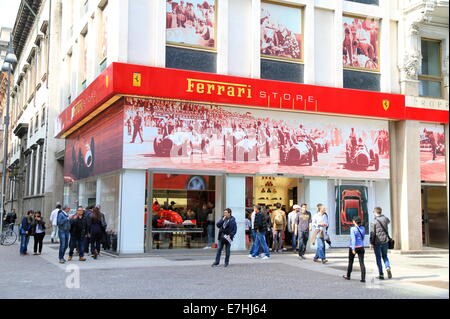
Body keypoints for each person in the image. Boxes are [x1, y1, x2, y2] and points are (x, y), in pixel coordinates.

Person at [370, 207, 392, 280]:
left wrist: (371, 243)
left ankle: (381, 274)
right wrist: (383, 216)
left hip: (377, 242)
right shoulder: (385, 219)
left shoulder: (374, 221)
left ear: (375, 212)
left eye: (373, 212)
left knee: (378, 258)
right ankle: (388, 267)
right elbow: (389, 221)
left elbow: (372, 233)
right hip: (385, 240)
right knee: (385, 256)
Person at [343, 216, 366, 283]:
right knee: (361, 263)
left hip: (354, 247)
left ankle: (348, 276)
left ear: (354, 222)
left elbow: (353, 239)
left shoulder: (353, 229)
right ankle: (363, 278)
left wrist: (353, 248)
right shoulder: (363, 228)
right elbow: (363, 237)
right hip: (361, 247)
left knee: (350, 262)